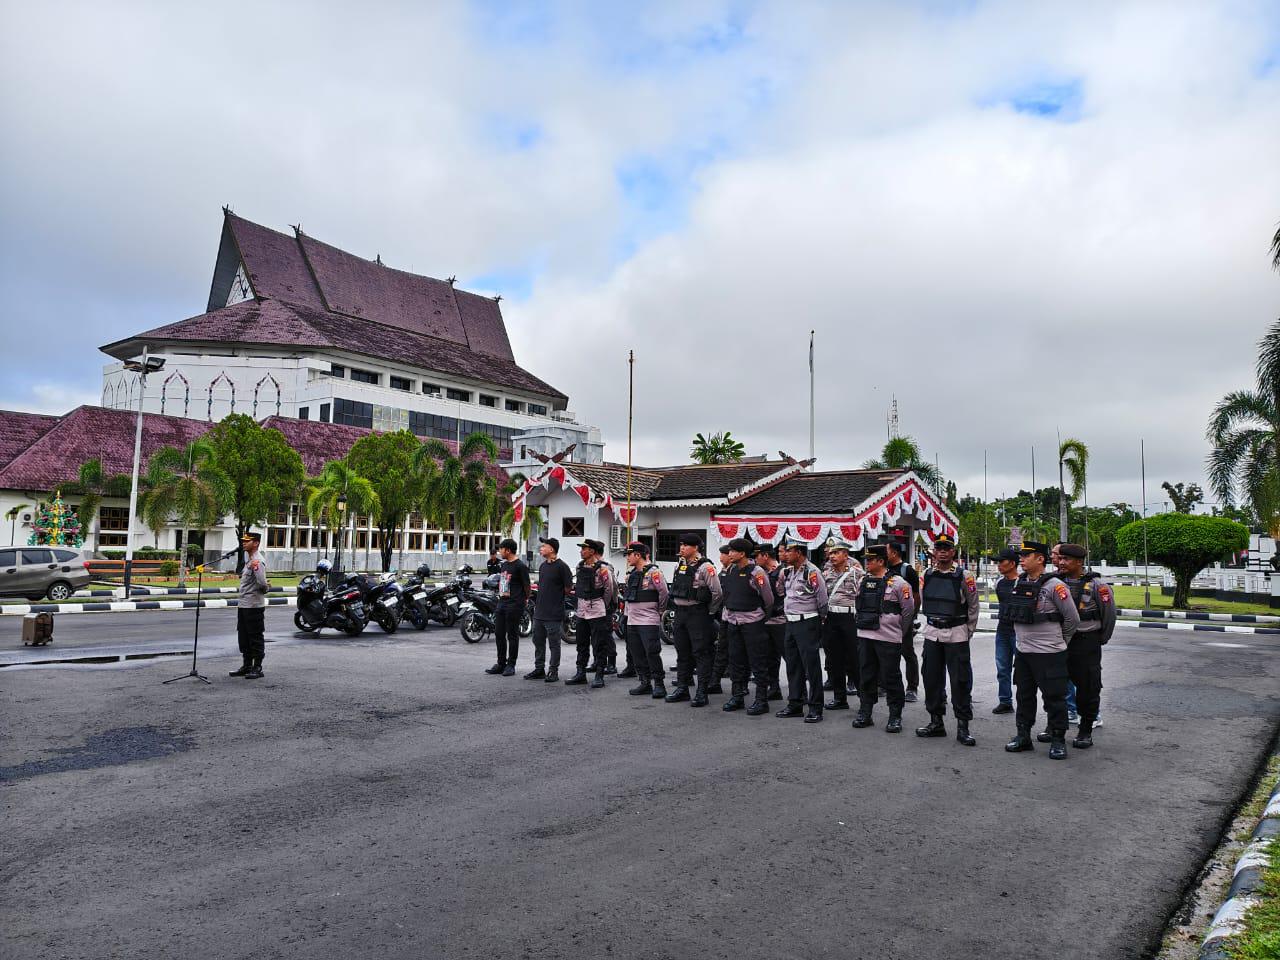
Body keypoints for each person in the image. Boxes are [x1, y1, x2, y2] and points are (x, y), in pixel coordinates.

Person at [1003, 541, 1080, 760]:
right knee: (1024, 696)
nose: (1022, 559)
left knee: (1055, 698)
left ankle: (1057, 740)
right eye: (1022, 556)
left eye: (1027, 556)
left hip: (1049, 654)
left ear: (1040, 559)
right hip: (1024, 652)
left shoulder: (1055, 586)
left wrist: (1059, 641)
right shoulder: (1020, 582)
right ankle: (1023, 736)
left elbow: (1072, 619)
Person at [915, 533, 980, 745]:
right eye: (939, 547)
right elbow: (925, 599)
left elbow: (973, 605)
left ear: (953, 551)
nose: (942, 551)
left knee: (960, 681)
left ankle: (963, 727)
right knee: (931, 678)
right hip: (933, 632)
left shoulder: (965, 576)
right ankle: (936, 722)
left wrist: (967, 631)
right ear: (934, 551)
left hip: (956, 633)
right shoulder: (926, 573)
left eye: (946, 547)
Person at [1052, 543, 1116, 749]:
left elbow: (1109, 617)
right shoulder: (1053, 583)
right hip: (1059, 641)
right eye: (1060, 558)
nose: (1061, 562)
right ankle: (1054, 727)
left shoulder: (1098, 586)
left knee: (1088, 687)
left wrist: (1099, 639)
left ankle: (1085, 730)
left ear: (1079, 562)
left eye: (1066, 559)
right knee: (1055, 686)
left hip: (1086, 642)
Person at [851, 543, 916, 733]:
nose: (867, 563)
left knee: (891, 677)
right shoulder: (863, 581)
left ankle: (895, 716)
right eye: (866, 560)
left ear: (881, 561)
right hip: (865, 635)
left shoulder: (899, 583)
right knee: (866, 676)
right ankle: (865, 712)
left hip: (888, 638)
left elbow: (908, 611)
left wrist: (897, 632)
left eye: (870, 560)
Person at [775, 536, 829, 723]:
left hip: (807, 622)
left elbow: (822, 600)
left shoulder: (812, 572)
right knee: (793, 665)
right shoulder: (788, 571)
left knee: (811, 666)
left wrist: (819, 620)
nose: (785, 554)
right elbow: (781, 592)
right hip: (790, 622)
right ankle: (795, 703)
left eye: (788, 551)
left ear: (798, 552)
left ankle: (815, 707)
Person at [719, 537, 776, 715]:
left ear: (742, 553)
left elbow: (768, 599)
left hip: (752, 623)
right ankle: (737, 696)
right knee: (736, 661)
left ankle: (761, 700)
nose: (729, 554)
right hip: (733, 622)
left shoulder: (756, 572)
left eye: (732, 551)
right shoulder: (731, 570)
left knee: (758, 662)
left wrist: (760, 617)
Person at [668, 533, 723, 707]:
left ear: (695, 548)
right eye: (681, 545)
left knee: (701, 653)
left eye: (685, 545)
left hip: (698, 613)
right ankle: (683, 689)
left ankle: (701, 692)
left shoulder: (706, 567)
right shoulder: (681, 565)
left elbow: (717, 593)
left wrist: (710, 612)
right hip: (681, 613)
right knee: (682, 653)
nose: (681, 548)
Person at [821, 536, 864, 711]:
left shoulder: (857, 574)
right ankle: (840, 698)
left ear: (846, 555)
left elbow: (862, 598)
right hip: (831, 619)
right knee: (834, 660)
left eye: (837, 552)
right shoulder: (826, 573)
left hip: (849, 619)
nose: (832, 556)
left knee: (854, 661)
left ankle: (864, 699)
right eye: (831, 553)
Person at [622, 541, 668, 698]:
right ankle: (644, 682)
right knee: (637, 653)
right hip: (632, 620)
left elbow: (664, 593)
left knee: (652, 652)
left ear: (638, 555)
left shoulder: (654, 572)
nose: (627, 558)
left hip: (648, 620)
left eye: (629, 555)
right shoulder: (632, 574)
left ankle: (659, 684)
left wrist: (659, 611)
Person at [568, 539, 616, 689]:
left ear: (592, 551)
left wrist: (603, 605)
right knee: (581, 643)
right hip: (582, 610)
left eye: (584, 548)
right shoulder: (580, 566)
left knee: (599, 644)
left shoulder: (603, 569)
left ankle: (599, 675)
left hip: (597, 610)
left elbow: (609, 590)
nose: (581, 551)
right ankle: (580, 673)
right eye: (581, 548)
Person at [526, 537, 573, 683]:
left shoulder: (562, 567)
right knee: (538, 641)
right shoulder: (543, 566)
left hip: (553, 613)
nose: (541, 548)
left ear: (551, 549)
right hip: (540, 612)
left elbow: (567, 588)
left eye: (544, 546)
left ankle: (553, 671)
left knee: (554, 644)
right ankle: (539, 669)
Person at [486, 538, 529, 677]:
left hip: (514, 604)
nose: (499, 551)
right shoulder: (504, 565)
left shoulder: (520, 566)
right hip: (502, 602)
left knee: (512, 635)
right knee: (499, 633)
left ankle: (511, 665)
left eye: (501, 549)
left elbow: (527, 586)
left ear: (508, 550)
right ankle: (500, 663)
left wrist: (523, 600)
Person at [230, 530, 269, 679]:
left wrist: (266, 588)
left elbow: (262, 583)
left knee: (255, 636)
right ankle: (247, 665)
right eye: (243, 541)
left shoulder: (257, 561)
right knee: (244, 636)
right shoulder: (249, 560)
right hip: (244, 605)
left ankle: (257, 667)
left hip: (253, 606)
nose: (244, 543)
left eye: (248, 541)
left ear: (256, 543)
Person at [886, 539, 921, 702]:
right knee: (886, 653)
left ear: (894, 553)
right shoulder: (884, 569)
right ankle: (884, 685)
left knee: (907, 652)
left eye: (886, 551)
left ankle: (912, 688)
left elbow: (916, 595)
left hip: (903, 619)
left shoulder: (907, 571)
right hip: (886, 620)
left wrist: (912, 617)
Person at [753, 544, 786, 699]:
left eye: (757, 555)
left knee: (790, 658)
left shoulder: (782, 573)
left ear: (765, 556)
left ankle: (801, 693)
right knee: (769, 658)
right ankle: (774, 688)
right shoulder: (761, 573)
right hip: (765, 621)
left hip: (780, 622)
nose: (755, 558)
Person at [991, 547, 1021, 713]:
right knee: (1002, 668)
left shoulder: (1022, 582)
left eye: (1001, 562)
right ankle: (1005, 701)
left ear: (1012, 563)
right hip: (1002, 629)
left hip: (1019, 631)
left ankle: (1024, 702)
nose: (998, 565)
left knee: (1023, 670)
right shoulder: (1000, 583)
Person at [708, 543, 734, 693]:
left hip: (737, 616)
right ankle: (716, 680)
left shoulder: (736, 571)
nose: (720, 557)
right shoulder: (722, 573)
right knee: (722, 647)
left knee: (735, 648)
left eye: (722, 554)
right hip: (723, 614)